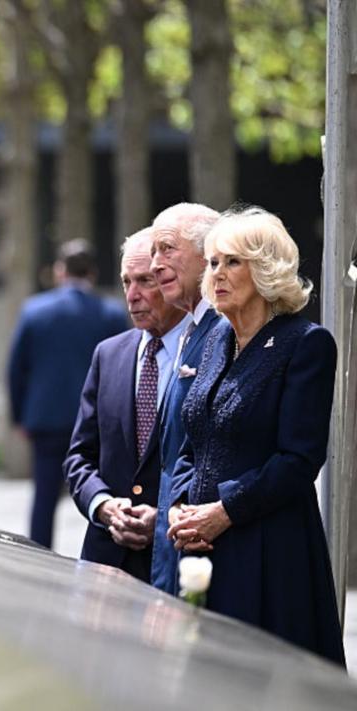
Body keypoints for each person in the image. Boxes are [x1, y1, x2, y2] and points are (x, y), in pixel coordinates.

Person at [167, 205, 346, 666]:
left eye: (232, 262)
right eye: (212, 263)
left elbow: (300, 458)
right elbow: (192, 440)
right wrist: (180, 509)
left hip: (269, 550)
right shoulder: (214, 341)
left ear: (266, 269)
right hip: (203, 548)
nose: (217, 274)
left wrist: (225, 510)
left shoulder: (305, 343)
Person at [63, 228, 187, 582]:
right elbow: (79, 456)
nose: (132, 296)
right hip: (105, 562)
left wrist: (164, 516)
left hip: (175, 561)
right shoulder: (109, 353)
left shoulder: (208, 350)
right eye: (125, 282)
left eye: (145, 281)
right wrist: (102, 505)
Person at [7, 239, 128, 549]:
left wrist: (20, 416)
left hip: (45, 418)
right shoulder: (111, 314)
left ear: (60, 271)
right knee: (100, 492)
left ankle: (39, 555)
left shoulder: (34, 311)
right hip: (97, 422)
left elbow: (16, 369)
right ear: (93, 272)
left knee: (44, 497)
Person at [149, 202, 223, 593]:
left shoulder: (226, 330)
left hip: (205, 538)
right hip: (173, 539)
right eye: (153, 253)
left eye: (168, 249)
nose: (155, 264)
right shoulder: (191, 329)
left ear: (208, 253)